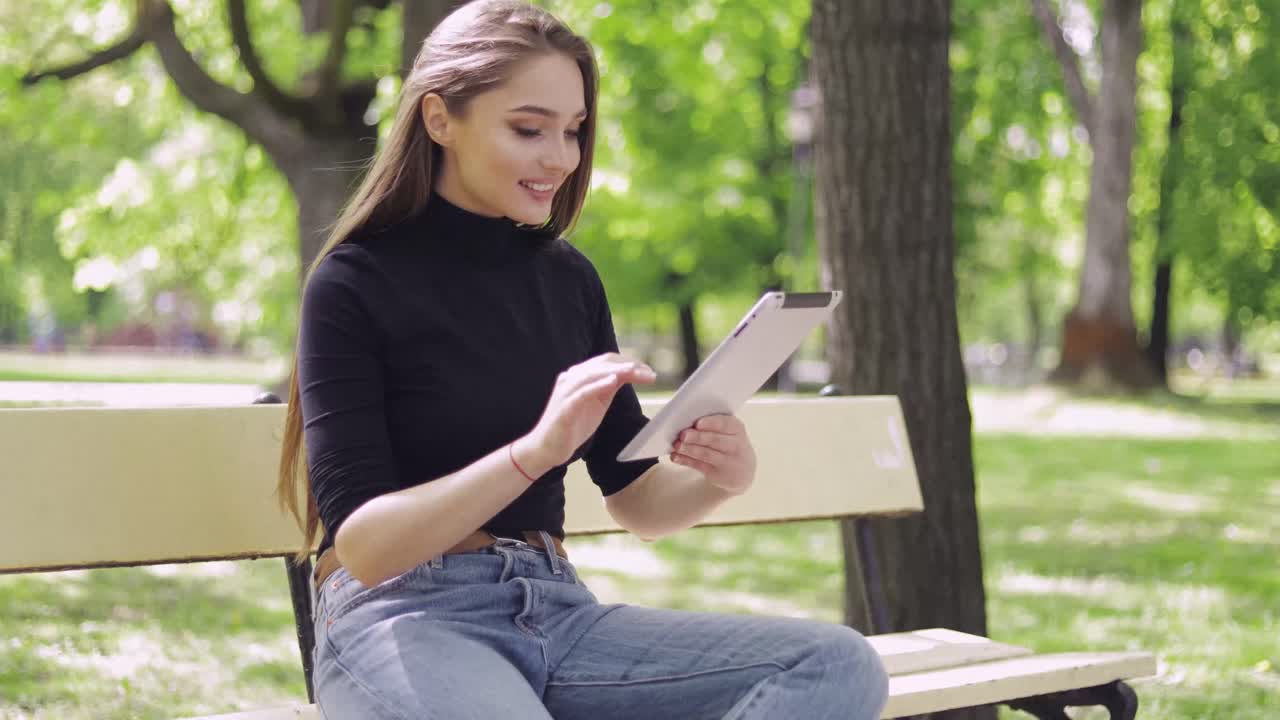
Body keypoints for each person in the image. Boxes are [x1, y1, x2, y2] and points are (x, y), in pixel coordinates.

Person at [275, 1, 889, 717]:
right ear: (440, 119)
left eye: (572, 131)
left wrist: (721, 479)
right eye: (528, 129)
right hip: (402, 616)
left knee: (834, 665)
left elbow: (638, 502)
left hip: (557, 611)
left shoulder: (568, 280)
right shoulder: (353, 283)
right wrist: (534, 453)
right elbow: (367, 549)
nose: (561, 158)